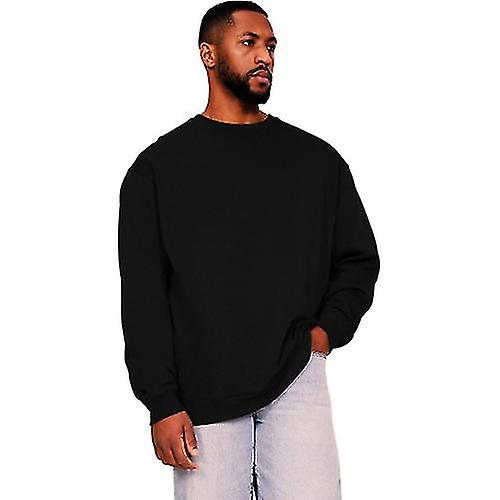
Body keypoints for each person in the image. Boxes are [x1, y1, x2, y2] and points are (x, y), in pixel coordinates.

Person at [118, 1, 380, 498]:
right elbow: (144, 297)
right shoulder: (157, 170)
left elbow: (357, 260)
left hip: (296, 377)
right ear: (208, 54)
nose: (265, 56)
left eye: (271, 46)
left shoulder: (316, 162)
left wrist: (325, 333)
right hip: (202, 391)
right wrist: (162, 401)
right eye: (248, 42)